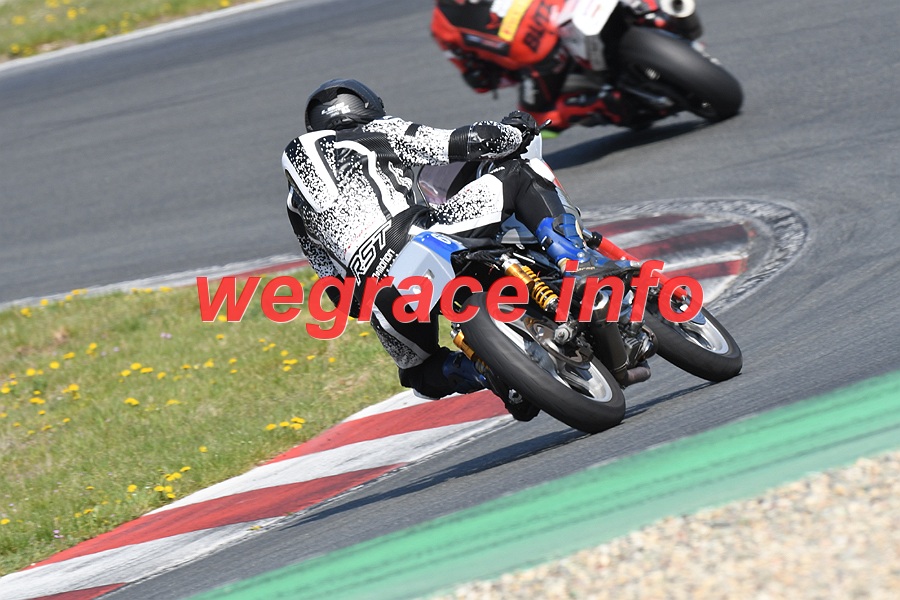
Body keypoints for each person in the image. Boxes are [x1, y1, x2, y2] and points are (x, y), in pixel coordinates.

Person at [281, 79, 616, 420]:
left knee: (418, 373)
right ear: (367, 106)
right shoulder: (372, 131)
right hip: (414, 234)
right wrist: (515, 131)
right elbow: (461, 142)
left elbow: (336, 290)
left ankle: (490, 372)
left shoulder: (295, 205)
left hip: (373, 291)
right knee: (517, 173)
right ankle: (577, 263)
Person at [430, 0, 630, 134]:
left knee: (532, 121)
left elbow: (478, 79)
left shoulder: (442, 24)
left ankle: (605, 104)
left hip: (544, 57)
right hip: (563, 9)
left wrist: (485, 77)